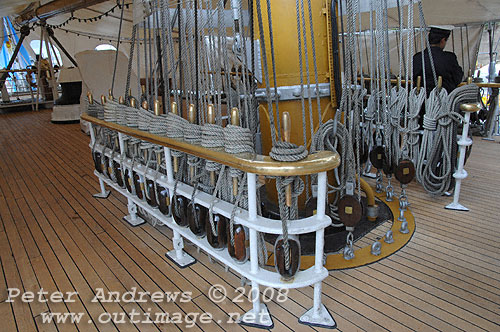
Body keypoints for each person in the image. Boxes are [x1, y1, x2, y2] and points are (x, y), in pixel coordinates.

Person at [413, 26, 464, 96]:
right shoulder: (449, 57)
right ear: (443, 40)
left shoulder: (417, 58)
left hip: (421, 101)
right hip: (444, 100)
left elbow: (415, 78)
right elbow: (457, 78)